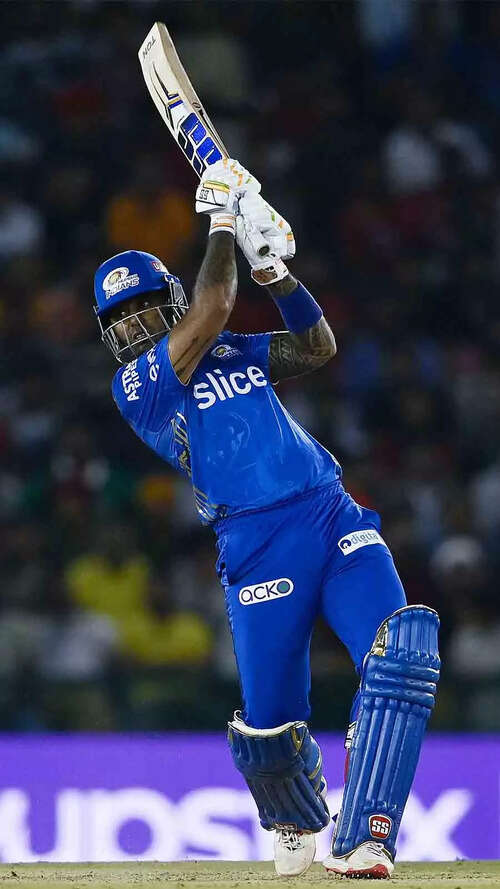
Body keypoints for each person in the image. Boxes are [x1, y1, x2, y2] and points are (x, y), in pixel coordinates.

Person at [93, 159, 440, 878]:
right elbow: (216, 304)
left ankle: (368, 835)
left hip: (330, 513)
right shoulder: (139, 385)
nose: (133, 324)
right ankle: (294, 817)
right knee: (270, 728)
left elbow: (316, 347)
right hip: (255, 544)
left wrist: (273, 271)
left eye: (142, 306)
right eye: (118, 318)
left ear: (170, 297)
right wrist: (222, 219)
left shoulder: (229, 348)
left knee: (402, 651)